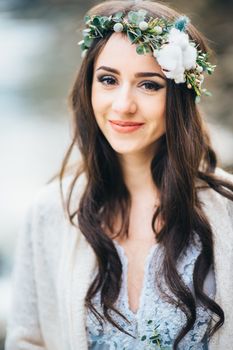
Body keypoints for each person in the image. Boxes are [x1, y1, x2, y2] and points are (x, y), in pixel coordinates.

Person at [5, 1, 233, 349]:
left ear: (179, 95)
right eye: (108, 80)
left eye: (149, 85)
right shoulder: (49, 211)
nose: (123, 104)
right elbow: (27, 339)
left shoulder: (227, 210)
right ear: (89, 86)